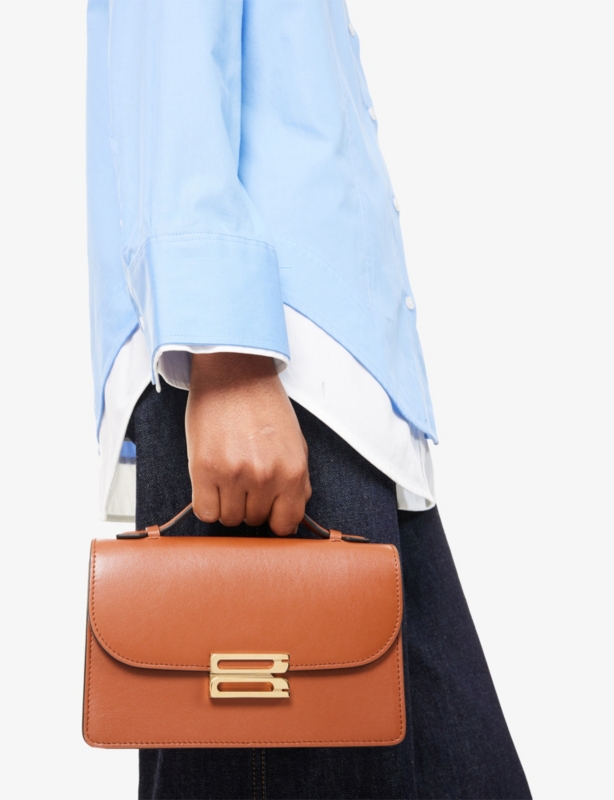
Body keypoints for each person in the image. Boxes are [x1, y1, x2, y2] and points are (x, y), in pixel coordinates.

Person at [87, 1, 532, 798]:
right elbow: (170, 46)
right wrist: (225, 355)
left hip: (346, 416)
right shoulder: (242, 372)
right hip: (275, 392)